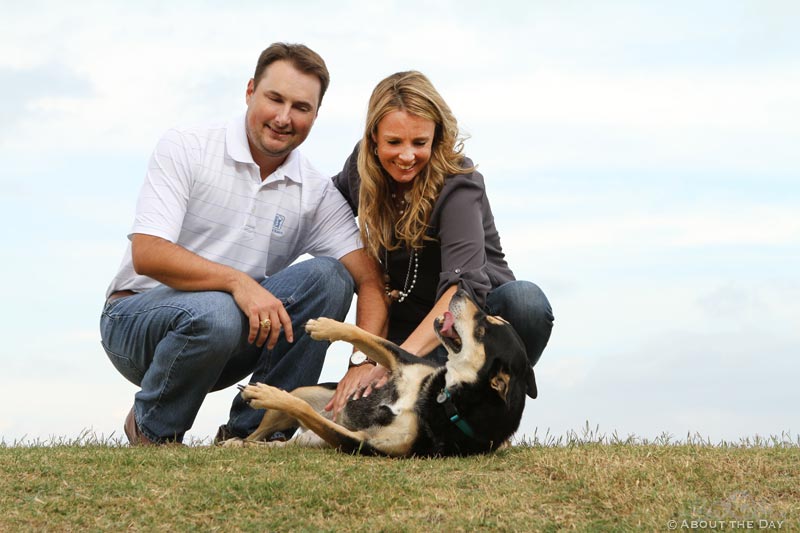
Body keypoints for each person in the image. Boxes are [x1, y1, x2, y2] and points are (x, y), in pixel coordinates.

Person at [100, 43, 386, 445]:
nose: (284, 118)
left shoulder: (316, 192)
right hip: (135, 322)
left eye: (301, 107)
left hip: (234, 334)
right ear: (250, 91)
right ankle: (152, 430)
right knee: (217, 310)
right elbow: (147, 252)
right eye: (275, 99)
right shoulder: (187, 146)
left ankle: (255, 435)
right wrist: (239, 283)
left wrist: (364, 359)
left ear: (316, 115)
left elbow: (369, 282)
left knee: (331, 277)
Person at [328, 71, 554, 415]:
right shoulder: (361, 170)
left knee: (527, 301)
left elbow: (459, 293)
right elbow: (319, 206)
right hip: (409, 321)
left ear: (437, 137)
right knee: (327, 276)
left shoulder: (460, 183)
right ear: (373, 137)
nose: (406, 156)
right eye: (394, 142)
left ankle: (492, 410)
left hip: (471, 322)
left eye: (419, 143)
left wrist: (392, 361)